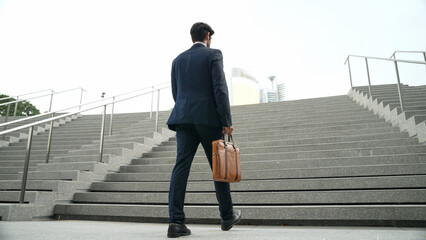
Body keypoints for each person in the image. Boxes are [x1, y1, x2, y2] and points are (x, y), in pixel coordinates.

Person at [166, 22, 241, 238]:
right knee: (219, 166)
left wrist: (186, 111)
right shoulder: (214, 55)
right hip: (208, 119)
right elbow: (220, 88)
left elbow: (176, 92)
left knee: (180, 168)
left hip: (183, 118)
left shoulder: (177, 60)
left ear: (193, 37)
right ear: (207, 36)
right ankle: (227, 216)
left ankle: (175, 222)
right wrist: (226, 119)